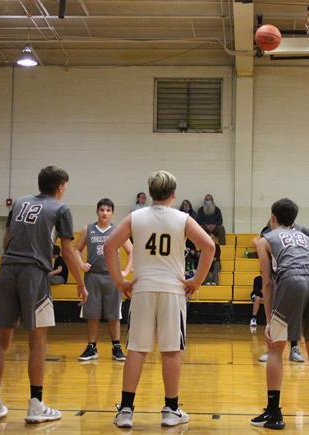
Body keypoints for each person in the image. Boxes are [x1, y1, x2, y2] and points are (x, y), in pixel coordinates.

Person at [104, 170, 215, 429]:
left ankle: (126, 410)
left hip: (142, 289)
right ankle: (171, 409)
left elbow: (109, 247)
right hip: (172, 291)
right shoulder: (183, 218)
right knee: (171, 350)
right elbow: (209, 246)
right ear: (173, 194)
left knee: (136, 349)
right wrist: (197, 280)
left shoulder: (135, 217)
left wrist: (120, 281)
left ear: (151, 192)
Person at [0, 166, 86, 424]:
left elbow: (5, 241)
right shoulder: (61, 209)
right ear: (60, 187)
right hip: (33, 273)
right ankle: (36, 405)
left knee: (0, 340)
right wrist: (81, 283)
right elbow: (68, 251)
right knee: (38, 341)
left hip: (7, 270)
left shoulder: (19, 203)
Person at [252, 198, 309, 430]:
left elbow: (267, 282)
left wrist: (268, 320)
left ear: (273, 217)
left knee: (275, 347)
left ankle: (274, 413)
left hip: (291, 280)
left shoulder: (265, 239)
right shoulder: (306, 237)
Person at [76, 198, 132, 362]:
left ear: (112, 213)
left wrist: (125, 271)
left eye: (108, 210)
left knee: (114, 314)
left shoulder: (117, 231)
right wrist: (81, 264)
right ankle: (92, 347)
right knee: (92, 314)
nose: (104, 213)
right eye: (102, 210)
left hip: (112, 277)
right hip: (93, 276)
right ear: (97, 211)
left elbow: (131, 251)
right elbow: (76, 250)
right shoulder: (88, 229)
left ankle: (116, 347)